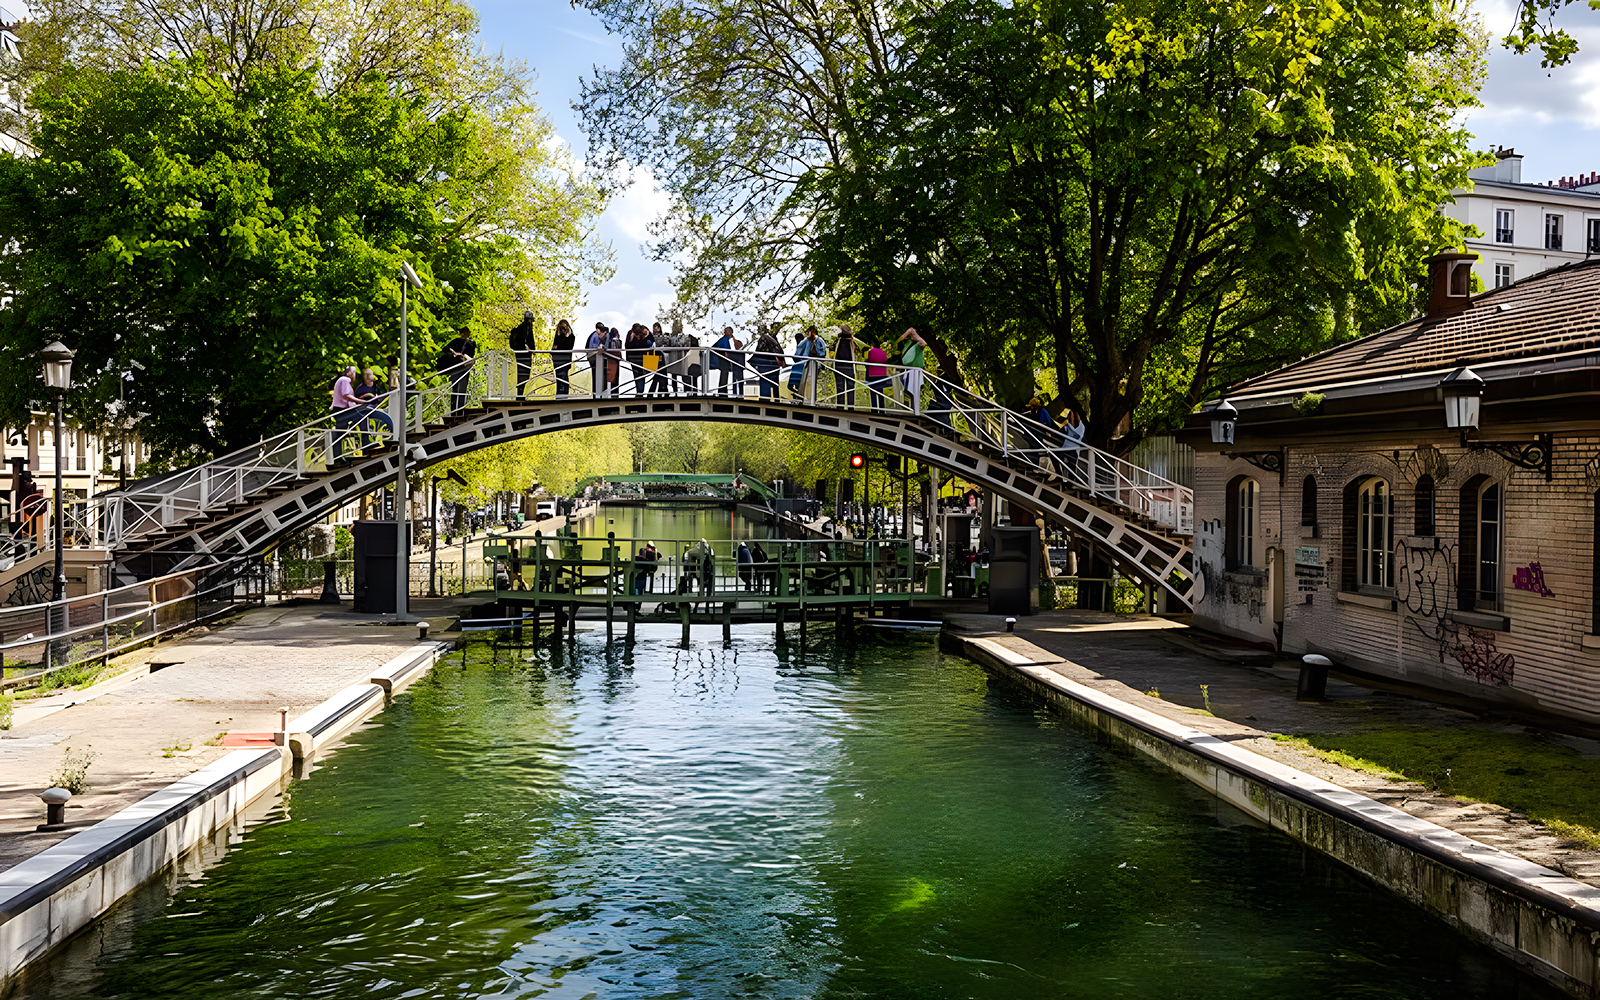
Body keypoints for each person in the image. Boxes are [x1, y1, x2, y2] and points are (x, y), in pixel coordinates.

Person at [352, 367, 395, 446]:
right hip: (366, 409)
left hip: (378, 407)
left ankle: (386, 435)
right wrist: (367, 396)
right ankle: (366, 441)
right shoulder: (361, 388)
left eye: (370, 375)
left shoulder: (376, 386)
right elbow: (357, 400)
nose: (369, 377)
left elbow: (382, 396)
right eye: (367, 375)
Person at [330, 365, 367, 456]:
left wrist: (358, 400)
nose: (354, 375)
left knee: (341, 432)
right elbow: (346, 395)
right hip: (341, 410)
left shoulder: (343, 380)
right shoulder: (345, 380)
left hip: (341, 409)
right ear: (349, 373)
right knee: (362, 417)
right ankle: (365, 443)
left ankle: (338, 455)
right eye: (354, 373)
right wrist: (361, 401)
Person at [441, 327, 477, 412]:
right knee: (462, 388)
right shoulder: (471, 343)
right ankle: (459, 408)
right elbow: (471, 355)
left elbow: (445, 349)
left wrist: (454, 353)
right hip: (464, 367)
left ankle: (454, 409)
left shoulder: (455, 341)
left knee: (455, 388)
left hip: (455, 367)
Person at [896, 327, 927, 411]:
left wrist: (914, 334)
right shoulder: (907, 344)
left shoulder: (918, 344)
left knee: (914, 392)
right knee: (906, 392)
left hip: (915, 372)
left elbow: (923, 343)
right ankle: (908, 409)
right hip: (906, 371)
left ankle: (914, 410)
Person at [788, 326, 823, 398]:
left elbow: (822, 353)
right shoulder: (805, 342)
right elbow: (798, 354)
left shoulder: (819, 341)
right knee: (796, 381)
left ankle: (809, 398)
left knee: (811, 385)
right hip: (803, 365)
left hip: (814, 365)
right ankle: (799, 395)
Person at [509, 310, 537, 399]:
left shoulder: (519, 329)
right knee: (525, 374)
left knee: (521, 374)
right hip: (525, 355)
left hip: (519, 355)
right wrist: (532, 350)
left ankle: (520, 395)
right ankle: (521, 396)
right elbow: (530, 341)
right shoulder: (527, 328)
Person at [751, 324, 783, 399]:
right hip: (768, 364)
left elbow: (775, 349)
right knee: (773, 384)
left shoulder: (765, 338)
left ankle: (767, 400)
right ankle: (775, 399)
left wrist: (779, 359)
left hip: (767, 364)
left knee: (767, 384)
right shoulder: (769, 338)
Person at [833, 324, 857, 406]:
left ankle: (840, 406)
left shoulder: (838, 342)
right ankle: (850, 406)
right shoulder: (852, 342)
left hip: (840, 368)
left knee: (840, 389)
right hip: (849, 368)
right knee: (850, 390)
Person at [626, 323, 652, 396]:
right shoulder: (631, 334)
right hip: (636, 359)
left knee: (640, 376)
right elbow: (628, 346)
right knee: (639, 376)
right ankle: (640, 393)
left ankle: (640, 393)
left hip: (639, 358)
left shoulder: (644, 334)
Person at [865, 340, 890, 412]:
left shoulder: (871, 352)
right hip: (881, 375)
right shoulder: (883, 353)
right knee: (880, 393)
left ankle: (874, 409)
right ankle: (882, 409)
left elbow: (869, 361)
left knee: (873, 394)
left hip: (872, 375)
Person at [552, 319, 575, 396]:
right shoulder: (558, 336)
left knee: (564, 378)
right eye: (561, 329)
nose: (563, 331)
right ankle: (560, 394)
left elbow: (567, 347)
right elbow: (554, 347)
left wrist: (559, 346)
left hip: (564, 361)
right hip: (558, 361)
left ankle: (564, 395)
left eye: (564, 329)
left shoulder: (571, 336)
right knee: (559, 379)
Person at [585, 321, 608, 396]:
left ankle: (596, 393)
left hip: (592, 357)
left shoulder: (592, 335)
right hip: (595, 358)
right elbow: (597, 349)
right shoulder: (596, 336)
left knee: (595, 376)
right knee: (599, 376)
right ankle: (599, 394)